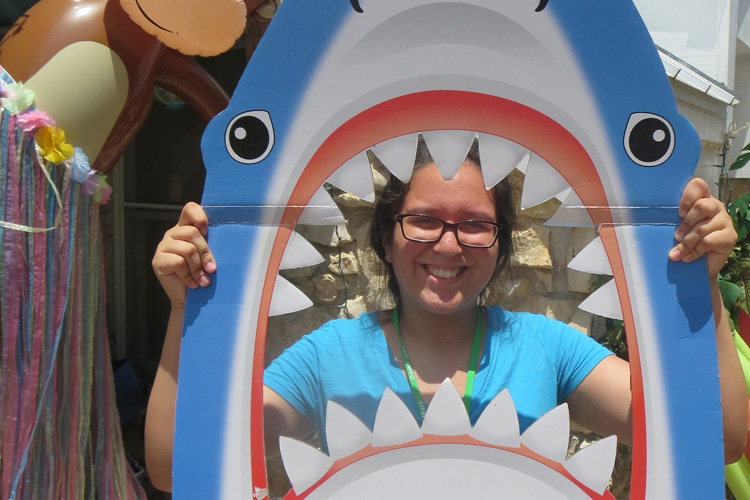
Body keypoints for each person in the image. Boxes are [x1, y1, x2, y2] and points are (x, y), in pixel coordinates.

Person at [145, 140, 747, 492]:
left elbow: (717, 436)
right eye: (426, 220)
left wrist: (704, 285)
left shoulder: (547, 348)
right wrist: (182, 312)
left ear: (501, 243)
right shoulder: (327, 356)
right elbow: (177, 465)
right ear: (386, 237)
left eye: (476, 225)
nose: (450, 246)